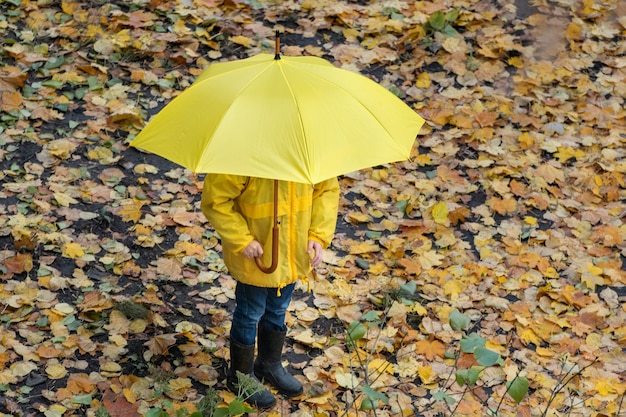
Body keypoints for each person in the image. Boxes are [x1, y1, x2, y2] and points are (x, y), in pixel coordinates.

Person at [201, 174, 340, 409]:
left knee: (278, 309)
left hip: (291, 255)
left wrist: (317, 234)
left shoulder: (306, 155)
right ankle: (240, 376)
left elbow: (326, 190)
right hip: (256, 256)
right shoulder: (245, 157)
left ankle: (268, 363)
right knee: (250, 313)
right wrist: (241, 239)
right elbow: (216, 200)